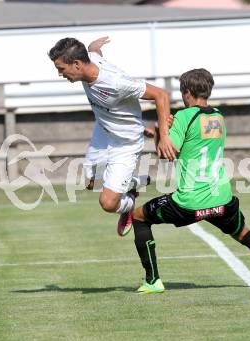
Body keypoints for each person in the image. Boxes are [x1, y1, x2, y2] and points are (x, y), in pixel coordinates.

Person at [131, 68, 250, 294]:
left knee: (138, 217)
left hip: (190, 201)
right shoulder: (218, 116)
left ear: (186, 92)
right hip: (221, 197)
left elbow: (166, 154)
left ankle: (153, 280)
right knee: (243, 233)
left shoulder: (183, 116)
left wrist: (162, 131)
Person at [48, 37, 177, 236]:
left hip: (125, 143)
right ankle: (133, 184)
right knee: (92, 184)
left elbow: (161, 95)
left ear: (77, 64)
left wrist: (165, 136)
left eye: (61, 69)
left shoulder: (116, 83)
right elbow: (93, 51)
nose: (59, 74)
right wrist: (94, 46)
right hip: (103, 132)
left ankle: (127, 207)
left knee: (108, 203)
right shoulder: (88, 60)